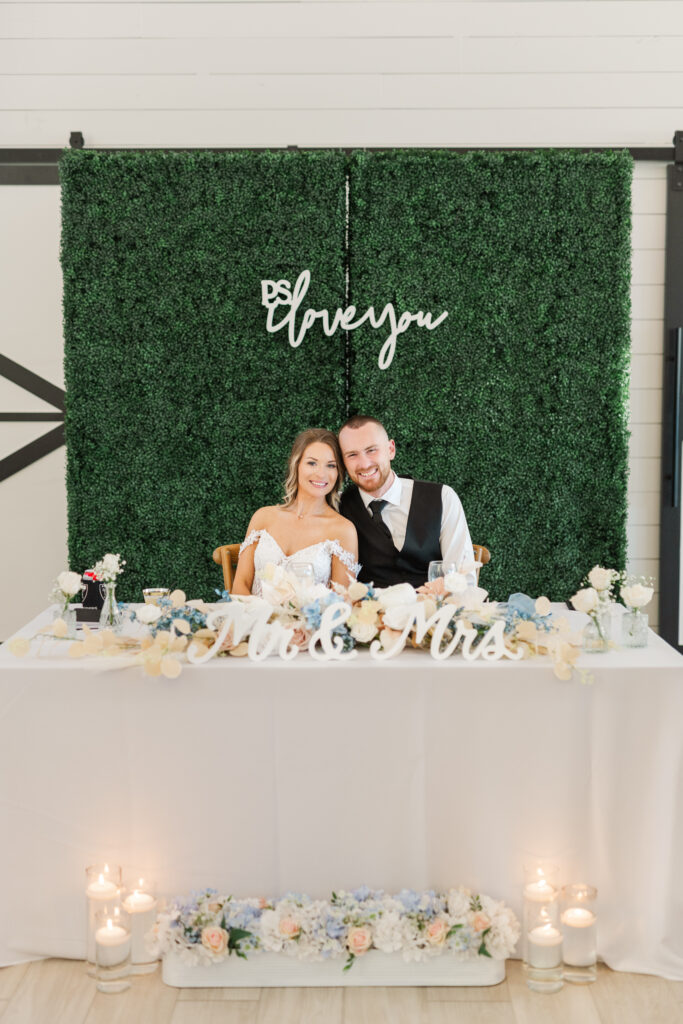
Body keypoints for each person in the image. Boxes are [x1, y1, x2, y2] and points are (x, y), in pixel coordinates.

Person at [338, 415, 475, 589]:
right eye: (352, 455)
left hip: (435, 612)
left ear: (391, 450)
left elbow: (463, 579)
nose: (364, 464)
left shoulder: (443, 497)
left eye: (372, 450)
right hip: (370, 613)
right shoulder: (338, 505)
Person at [231, 428, 360, 596]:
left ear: (338, 473)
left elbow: (340, 603)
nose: (321, 473)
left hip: (309, 622)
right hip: (253, 618)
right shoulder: (263, 517)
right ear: (296, 464)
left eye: (331, 465)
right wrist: (260, 618)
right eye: (312, 463)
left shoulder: (343, 530)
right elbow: (240, 584)